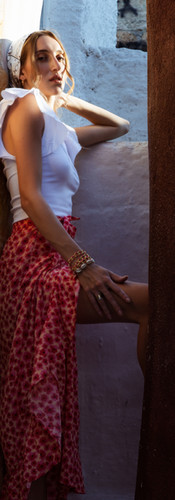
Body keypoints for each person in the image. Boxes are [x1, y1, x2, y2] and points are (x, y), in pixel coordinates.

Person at [0, 30, 148, 500]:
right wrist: (82, 264)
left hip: (56, 252)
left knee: (43, 391)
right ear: (23, 71)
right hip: (34, 257)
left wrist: (64, 97)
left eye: (59, 57)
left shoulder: (54, 123)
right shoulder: (23, 108)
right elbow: (30, 197)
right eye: (41, 59)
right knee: (152, 305)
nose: (53, 64)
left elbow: (121, 126)